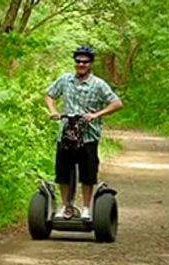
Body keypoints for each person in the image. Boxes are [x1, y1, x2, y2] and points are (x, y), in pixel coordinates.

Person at [45, 46, 123, 220]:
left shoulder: (99, 84)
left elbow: (117, 103)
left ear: (90, 64)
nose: (81, 64)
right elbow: (49, 95)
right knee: (63, 173)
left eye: (85, 62)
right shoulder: (65, 80)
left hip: (88, 137)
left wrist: (96, 115)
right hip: (65, 135)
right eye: (78, 61)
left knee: (88, 174)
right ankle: (67, 207)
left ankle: (87, 208)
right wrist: (53, 111)